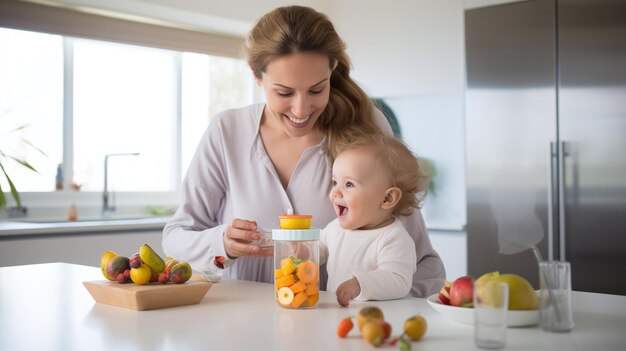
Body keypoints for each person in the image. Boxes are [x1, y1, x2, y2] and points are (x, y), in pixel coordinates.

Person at [162, 5, 446, 297]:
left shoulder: (366, 125)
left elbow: (423, 264)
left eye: (316, 89)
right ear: (256, 76)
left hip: (334, 331)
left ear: (332, 68)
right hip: (240, 328)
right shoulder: (227, 131)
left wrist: (370, 306)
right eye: (284, 92)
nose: (301, 110)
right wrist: (222, 243)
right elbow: (177, 236)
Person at [321, 133, 425, 306]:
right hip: (336, 316)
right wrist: (300, 250)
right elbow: (318, 248)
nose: (335, 193)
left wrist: (359, 285)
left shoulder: (393, 239)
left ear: (387, 199)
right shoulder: (335, 230)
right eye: (334, 182)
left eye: (349, 184)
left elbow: (398, 280)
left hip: (374, 321)